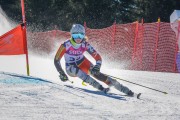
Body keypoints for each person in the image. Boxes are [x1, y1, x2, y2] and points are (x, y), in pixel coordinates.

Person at [54, 24, 134, 96]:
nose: (78, 38)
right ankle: (99, 87)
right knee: (76, 70)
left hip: (82, 63)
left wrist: (97, 66)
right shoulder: (66, 45)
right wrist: (62, 73)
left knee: (97, 74)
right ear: (71, 35)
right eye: (75, 36)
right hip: (70, 67)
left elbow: (98, 57)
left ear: (84, 35)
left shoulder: (85, 44)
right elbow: (56, 60)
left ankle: (125, 90)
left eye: (80, 36)